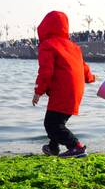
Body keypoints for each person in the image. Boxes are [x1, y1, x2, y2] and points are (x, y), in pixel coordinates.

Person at [32, 11, 96, 158]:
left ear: (44, 27)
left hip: (62, 91)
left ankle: (76, 146)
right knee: (57, 120)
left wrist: (38, 91)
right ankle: (53, 148)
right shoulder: (74, 47)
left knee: (52, 125)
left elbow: (46, 71)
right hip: (76, 92)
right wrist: (91, 78)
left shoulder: (47, 45)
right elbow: (84, 68)